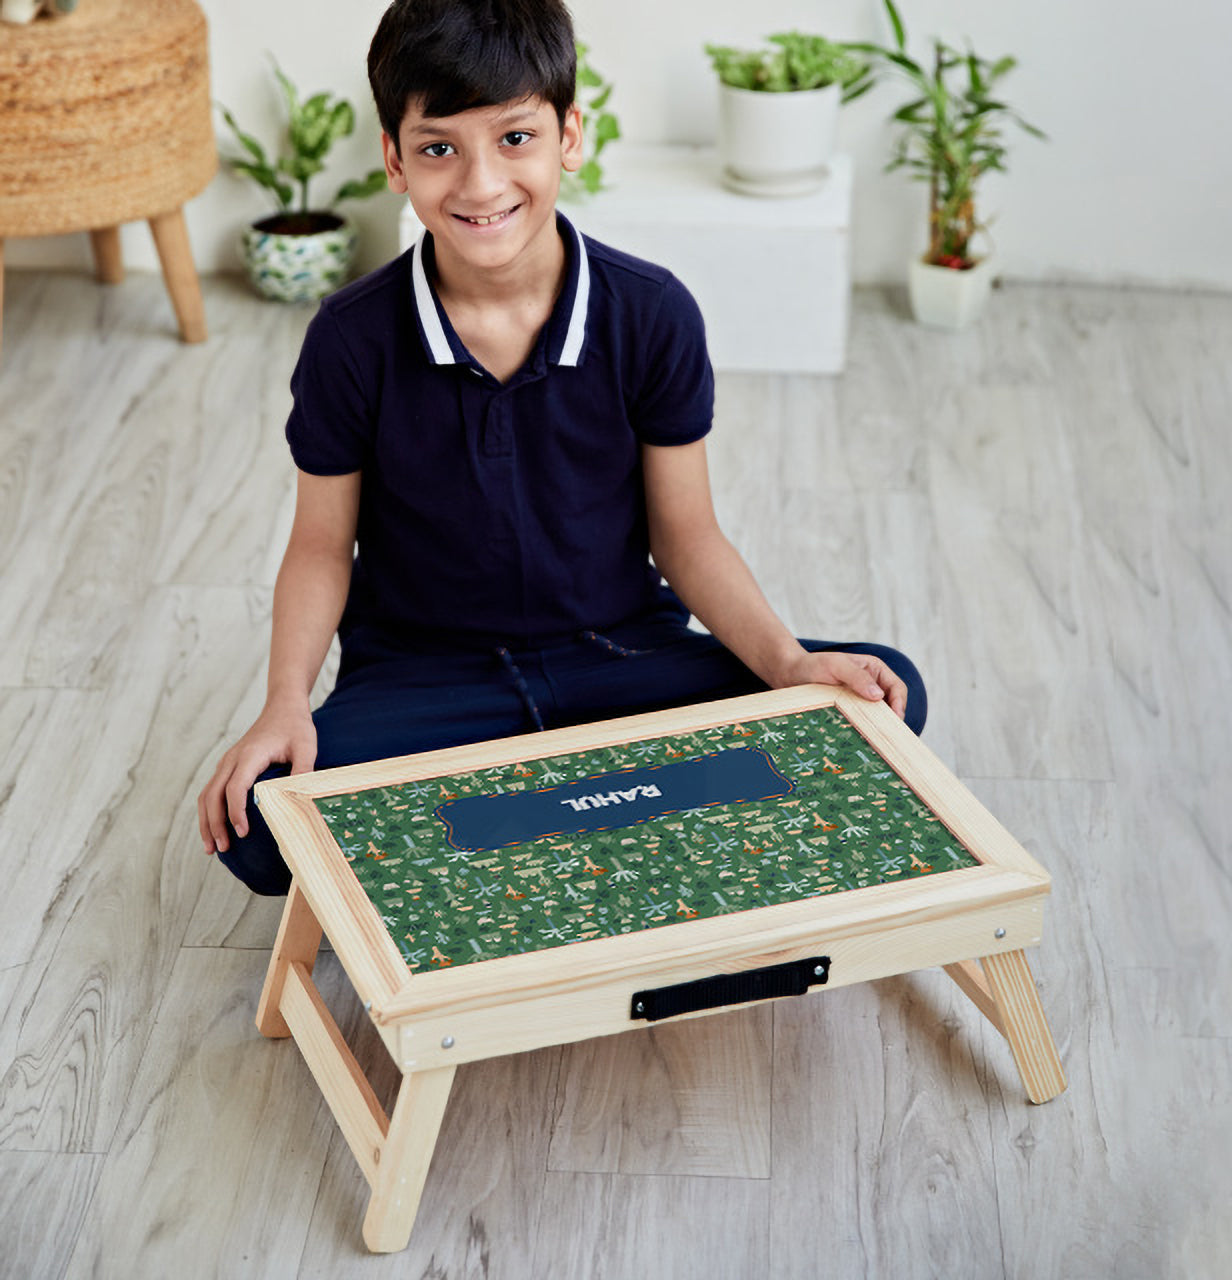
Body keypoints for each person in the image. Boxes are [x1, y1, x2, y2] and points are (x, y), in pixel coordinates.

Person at [198, 0, 927, 896]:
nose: (478, 185)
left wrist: (786, 665)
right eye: (438, 148)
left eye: (514, 138)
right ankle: (604, 817)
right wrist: (282, 705)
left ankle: (508, 829)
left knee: (879, 694)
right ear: (393, 159)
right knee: (261, 820)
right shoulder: (351, 338)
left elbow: (687, 535)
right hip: (429, 683)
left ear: (568, 135)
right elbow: (319, 545)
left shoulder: (651, 313)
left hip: (619, 659)